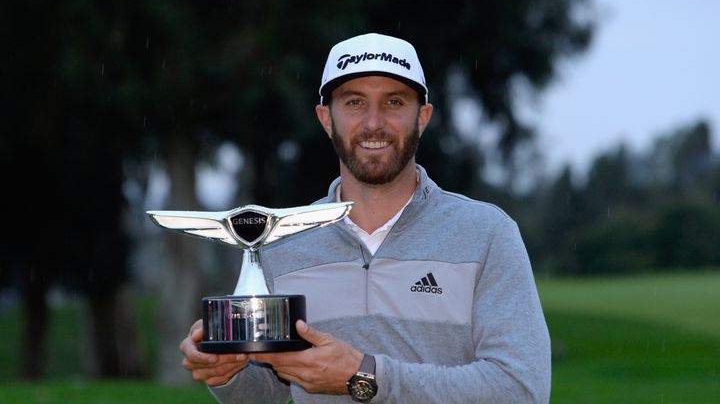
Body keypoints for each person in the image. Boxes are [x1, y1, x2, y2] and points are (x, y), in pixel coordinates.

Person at [179, 33, 551, 403]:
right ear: (327, 119)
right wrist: (225, 373)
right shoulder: (282, 241)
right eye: (354, 102)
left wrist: (365, 375)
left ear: (422, 117)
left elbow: (521, 389)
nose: (374, 122)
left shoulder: (486, 234)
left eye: (394, 102)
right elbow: (267, 394)